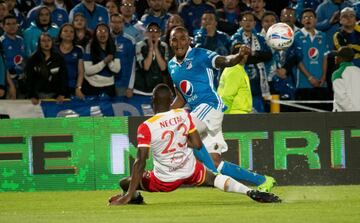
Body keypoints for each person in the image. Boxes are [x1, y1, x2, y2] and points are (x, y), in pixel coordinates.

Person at [108, 84, 281, 205]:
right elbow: (197, 144)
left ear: (152, 100)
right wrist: (181, 141)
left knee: (125, 182)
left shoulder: (146, 126)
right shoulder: (183, 114)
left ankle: (135, 197)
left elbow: (140, 161)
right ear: (171, 100)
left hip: (164, 180)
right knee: (213, 178)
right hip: (189, 170)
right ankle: (249, 192)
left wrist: (128, 194)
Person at [168, 26, 276, 192]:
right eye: (174, 39)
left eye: (183, 38)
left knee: (181, 134)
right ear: (170, 42)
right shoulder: (172, 65)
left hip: (210, 106)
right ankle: (262, 180)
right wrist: (165, 116)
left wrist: (239, 55)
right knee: (215, 162)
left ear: (189, 40)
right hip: (200, 113)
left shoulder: (200, 54)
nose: (179, 43)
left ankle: (211, 176)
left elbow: (225, 60)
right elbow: (181, 97)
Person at [25, 33, 68, 105]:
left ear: (52, 42)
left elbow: (63, 77)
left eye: (49, 40)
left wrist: (62, 94)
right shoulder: (32, 59)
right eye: (43, 41)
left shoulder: (59, 58)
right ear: (39, 43)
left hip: (55, 95)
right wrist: (32, 95)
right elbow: (29, 79)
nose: (46, 43)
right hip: (37, 96)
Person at [129, 22, 168, 97]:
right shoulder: (139, 46)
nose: (153, 33)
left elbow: (163, 68)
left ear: (160, 34)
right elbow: (146, 67)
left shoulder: (164, 46)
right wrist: (150, 48)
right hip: (141, 90)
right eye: (150, 30)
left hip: (157, 90)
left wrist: (156, 48)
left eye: (156, 31)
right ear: (146, 33)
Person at [83, 23, 120, 97]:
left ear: (109, 34)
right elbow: (88, 71)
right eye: (99, 31)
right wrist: (104, 62)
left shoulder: (114, 47)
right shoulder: (89, 47)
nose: (102, 33)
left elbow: (116, 69)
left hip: (110, 86)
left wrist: (109, 62)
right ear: (95, 34)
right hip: (91, 86)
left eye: (105, 31)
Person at [217, 43, 252, 114]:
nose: (242, 56)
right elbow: (227, 96)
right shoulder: (234, 70)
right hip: (235, 115)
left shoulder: (237, 69)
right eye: (238, 54)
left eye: (244, 53)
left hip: (237, 114)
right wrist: (224, 117)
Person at [0, 15, 26, 99]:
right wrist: (10, 84)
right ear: (3, 26)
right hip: (7, 82)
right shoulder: (1, 41)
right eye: (8, 24)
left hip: (22, 81)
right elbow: (2, 65)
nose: (12, 26)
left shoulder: (21, 40)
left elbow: (24, 60)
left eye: (14, 23)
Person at [56, 23, 85, 99]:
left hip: (72, 87)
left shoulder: (78, 50)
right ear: (60, 34)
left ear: (74, 35)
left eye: (71, 31)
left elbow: (81, 72)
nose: (69, 33)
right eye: (65, 31)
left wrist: (78, 88)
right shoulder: (53, 49)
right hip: (55, 88)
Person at [332, 46, 360, 111]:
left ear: (341, 58)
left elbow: (340, 98)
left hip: (345, 116)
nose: (335, 57)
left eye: (337, 55)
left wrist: (353, 112)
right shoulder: (358, 70)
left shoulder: (337, 73)